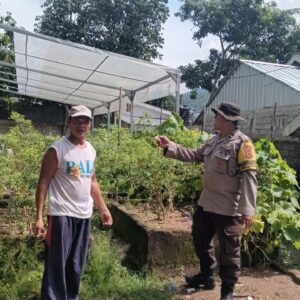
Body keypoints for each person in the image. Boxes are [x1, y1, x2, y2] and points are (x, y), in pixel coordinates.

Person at [155, 102, 257, 300]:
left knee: (230, 252)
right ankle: (207, 276)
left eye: (217, 116)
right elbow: (194, 154)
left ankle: (227, 290)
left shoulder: (243, 144)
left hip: (229, 209)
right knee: (200, 240)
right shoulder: (214, 140)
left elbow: (249, 177)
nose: (214, 119)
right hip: (207, 203)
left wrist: (248, 209)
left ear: (227, 120)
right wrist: (170, 147)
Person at [34, 104, 113, 300]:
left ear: (90, 125)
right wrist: (39, 218)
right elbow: (43, 182)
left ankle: (70, 297)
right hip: (61, 214)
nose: (81, 124)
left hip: (84, 215)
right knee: (57, 263)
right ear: (69, 122)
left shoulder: (90, 150)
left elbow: (92, 181)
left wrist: (103, 208)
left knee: (76, 263)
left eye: (85, 120)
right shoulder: (57, 149)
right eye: (77, 120)